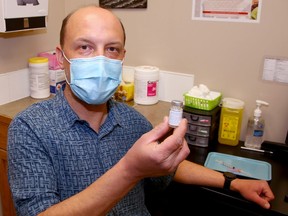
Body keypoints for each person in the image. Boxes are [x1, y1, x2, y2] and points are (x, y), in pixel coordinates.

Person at [8, 5, 274, 216]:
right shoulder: (30, 127)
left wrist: (232, 182)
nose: (100, 60)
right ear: (61, 55)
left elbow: (168, 168)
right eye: (85, 47)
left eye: (111, 49)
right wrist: (129, 170)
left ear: (123, 57)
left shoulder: (132, 121)